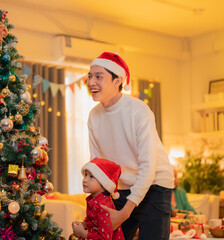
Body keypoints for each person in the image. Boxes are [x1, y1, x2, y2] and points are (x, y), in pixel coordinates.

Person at [87, 52, 174, 240]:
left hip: (154, 186)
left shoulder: (138, 111)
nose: (91, 82)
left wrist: (125, 212)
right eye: (90, 76)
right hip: (121, 188)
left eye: (99, 77)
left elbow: (148, 167)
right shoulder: (94, 116)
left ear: (117, 80)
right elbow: (98, 165)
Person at [71, 157, 124, 240]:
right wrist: (83, 224)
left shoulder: (102, 206)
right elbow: (93, 221)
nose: (85, 180)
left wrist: (83, 233)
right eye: (85, 175)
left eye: (91, 177)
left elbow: (104, 237)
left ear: (104, 184)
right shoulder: (93, 200)